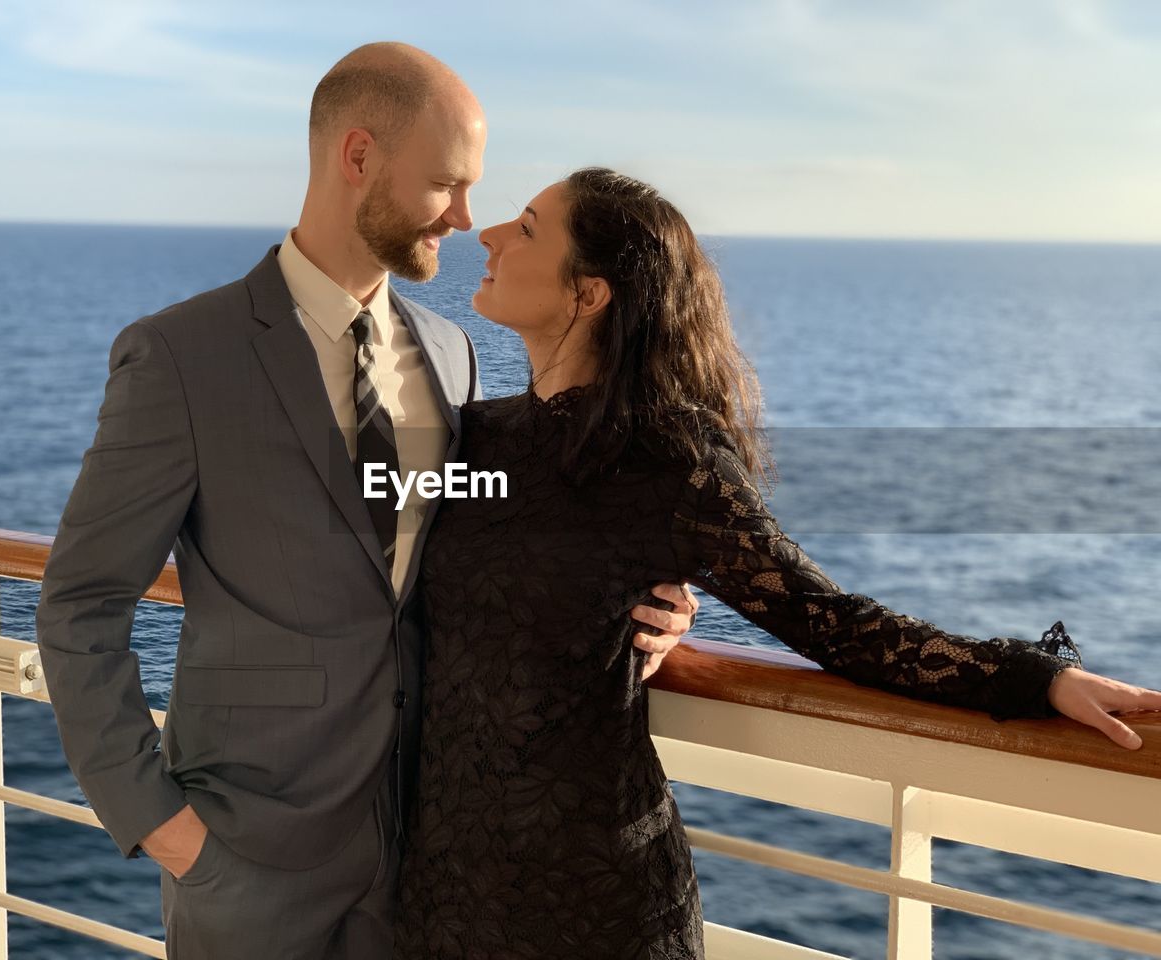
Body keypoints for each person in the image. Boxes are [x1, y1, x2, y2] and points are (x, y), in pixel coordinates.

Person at [392, 167, 1161, 958]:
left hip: (593, 896)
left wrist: (1038, 677)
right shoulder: (471, 440)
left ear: (589, 294)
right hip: (444, 892)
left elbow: (832, 623)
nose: (484, 235)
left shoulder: (670, 459)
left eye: (523, 227)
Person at [34, 47, 696, 959]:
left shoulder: (452, 353)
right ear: (358, 158)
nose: (468, 218)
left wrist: (651, 590)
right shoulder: (181, 357)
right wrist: (161, 828)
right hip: (244, 865)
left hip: (424, 861)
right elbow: (81, 602)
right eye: (445, 185)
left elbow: (496, 529)